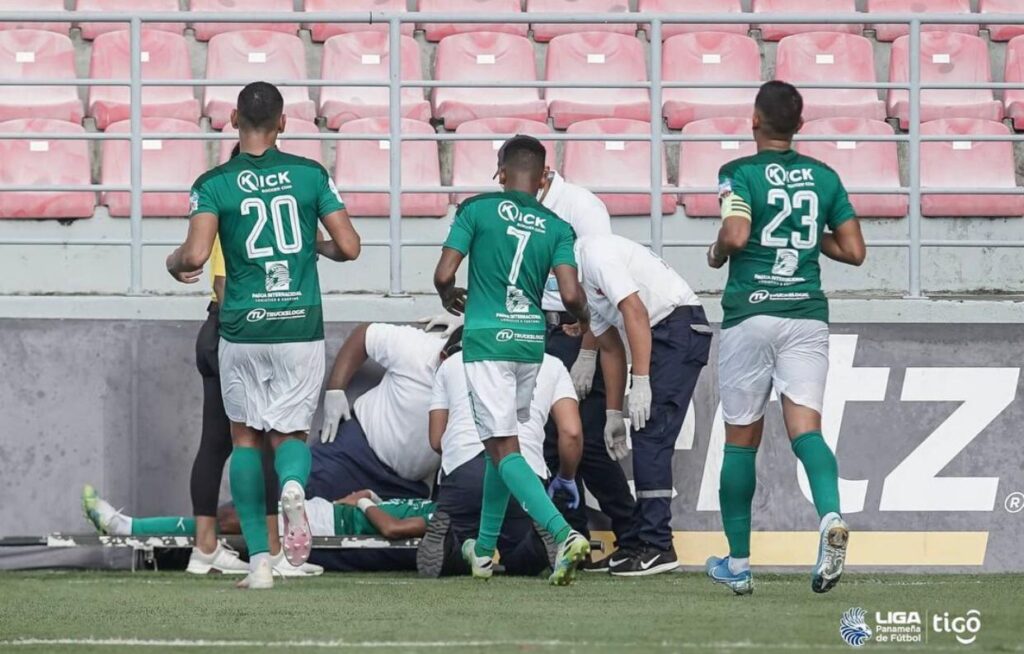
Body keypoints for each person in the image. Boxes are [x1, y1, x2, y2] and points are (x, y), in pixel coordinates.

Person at [166, 81, 361, 590]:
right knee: (290, 435)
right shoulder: (310, 174)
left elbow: (194, 255)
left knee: (245, 439)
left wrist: (172, 262)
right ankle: (293, 484)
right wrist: (313, 246)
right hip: (299, 323)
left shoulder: (213, 182)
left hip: (242, 326)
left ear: (233, 120)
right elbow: (349, 246)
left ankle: (259, 564)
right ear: (283, 123)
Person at [705, 81, 866, 596]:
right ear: (799, 125)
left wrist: (715, 253)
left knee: (740, 441)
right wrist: (808, 234)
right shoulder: (825, 176)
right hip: (805, 315)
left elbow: (734, 235)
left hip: (751, 313)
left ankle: (738, 564)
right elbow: (855, 251)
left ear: (754, 119)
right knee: (807, 432)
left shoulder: (738, 173)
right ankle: (831, 517)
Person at [433, 134, 592, 586]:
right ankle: (484, 552)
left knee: (503, 447)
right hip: (529, 343)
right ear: (543, 179)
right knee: (500, 445)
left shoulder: (476, 209)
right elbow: (571, 294)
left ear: (500, 173)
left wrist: (448, 293)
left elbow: (444, 273)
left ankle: (563, 533)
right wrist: (582, 319)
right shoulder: (558, 226)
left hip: (486, 341)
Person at [577, 233, 711, 577]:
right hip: (666, 330)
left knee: (651, 432)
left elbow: (635, 312)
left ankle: (657, 544)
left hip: (676, 326)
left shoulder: (594, 255)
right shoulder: (581, 276)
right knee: (644, 430)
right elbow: (611, 348)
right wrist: (613, 414)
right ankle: (640, 541)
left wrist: (642, 381)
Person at [528, 157, 637, 570]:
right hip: (537, 330)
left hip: (577, 330)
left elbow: (599, 285)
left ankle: (633, 536)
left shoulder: (581, 206)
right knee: (549, 442)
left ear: (543, 173)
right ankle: (571, 540)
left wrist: (589, 351)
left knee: (587, 440)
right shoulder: (520, 208)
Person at [185, 144, 283, 577]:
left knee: (215, 443)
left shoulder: (227, 207)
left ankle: (205, 548)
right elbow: (225, 284)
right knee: (264, 438)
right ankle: (273, 549)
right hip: (235, 329)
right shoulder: (235, 212)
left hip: (216, 330)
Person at [421, 336, 583, 577]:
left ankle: (450, 544)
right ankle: (536, 543)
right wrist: (566, 478)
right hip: (525, 473)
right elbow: (571, 433)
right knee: (518, 557)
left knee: (462, 548)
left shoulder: (452, 363)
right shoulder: (552, 364)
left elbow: (436, 440)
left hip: (463, 468)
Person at [309, 322, 448, 502]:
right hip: (355, 452)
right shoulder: (419, 348)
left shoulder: (476, 380)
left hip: (406, 487)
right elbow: (365, 335)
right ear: (444, 357)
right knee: (297, 494)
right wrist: (335, 390)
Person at [82, 485, 433, 547]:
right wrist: (367, 498)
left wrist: (363, 503)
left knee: (227, 521)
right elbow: (386, 512)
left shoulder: (441, 518)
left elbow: (393, 528)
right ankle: (127, 526)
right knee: (226, 517)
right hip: (324, 510)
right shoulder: (434, 502)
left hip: (324, 524)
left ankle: (124, 527)